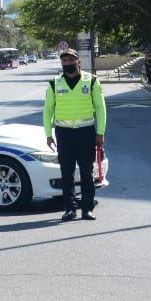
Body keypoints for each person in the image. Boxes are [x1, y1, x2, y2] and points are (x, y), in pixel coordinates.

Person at [44, 49, 107, 222]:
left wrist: (100, 132)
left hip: (85, 131)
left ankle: (87, 209)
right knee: (66, 173)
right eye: (64, 61)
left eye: (71, 60)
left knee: (87, 172)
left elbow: (101, 108)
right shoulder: (54, 83)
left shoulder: (92, 81)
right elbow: (48, 110)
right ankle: (70, 209)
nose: (68, 63)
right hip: (64, 134)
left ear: (78, 62)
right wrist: (48, 134)